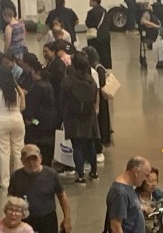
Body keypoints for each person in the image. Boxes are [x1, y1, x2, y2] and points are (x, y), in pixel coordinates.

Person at [61, 52, 100, 184]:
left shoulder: (68, 81)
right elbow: (95, 98)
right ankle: (94, 171)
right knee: (90, 143)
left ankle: (80, 175)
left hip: (72, 116)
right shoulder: (92, 81)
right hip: (89, 115)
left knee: (76, 145)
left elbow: (62, 98)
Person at [0, 75, 26, 191]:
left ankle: (5, 181)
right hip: (17, 120)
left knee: (4, 152)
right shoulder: (17, 89)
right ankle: (19, 180)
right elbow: (23, 106)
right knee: (18, 151)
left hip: (1, 121)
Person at [20, 54, 58, 156]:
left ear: (37, 73)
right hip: (49, 119)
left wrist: (29, 118)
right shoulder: (49, 85)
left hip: (37, 120)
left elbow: (33, 103)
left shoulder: (37, 87)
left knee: (35, 132)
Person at [83, 44, 112, 160]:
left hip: (99, 100)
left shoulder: (97, 69)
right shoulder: (95, 67)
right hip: (98, 99)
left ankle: (99, 144)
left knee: (99, 122)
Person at [85, 0, 113, 69]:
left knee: (95, 55)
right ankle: (106, 69)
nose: (89, 2)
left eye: (90, 1)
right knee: (105, 54)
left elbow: (89, 23)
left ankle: (96, 68)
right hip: (105, 36)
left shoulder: (91, 12)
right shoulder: (104, 11)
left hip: (95, 37)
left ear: (95, 2)